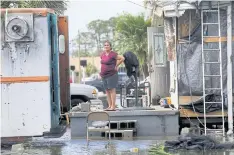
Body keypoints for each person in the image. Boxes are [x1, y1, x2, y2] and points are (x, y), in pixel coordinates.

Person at [100, 40, 125, 111]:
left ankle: (113, 106)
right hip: (104, 75)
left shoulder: (113, 54)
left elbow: (122, 58)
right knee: (107, 91)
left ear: (110, 46)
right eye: (105, 45)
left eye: (107, 45)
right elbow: (102, 64)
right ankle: (109, 106)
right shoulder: (102, 54)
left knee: (112, 90)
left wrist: (116, 65)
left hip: (112, 74)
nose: (106, 46)